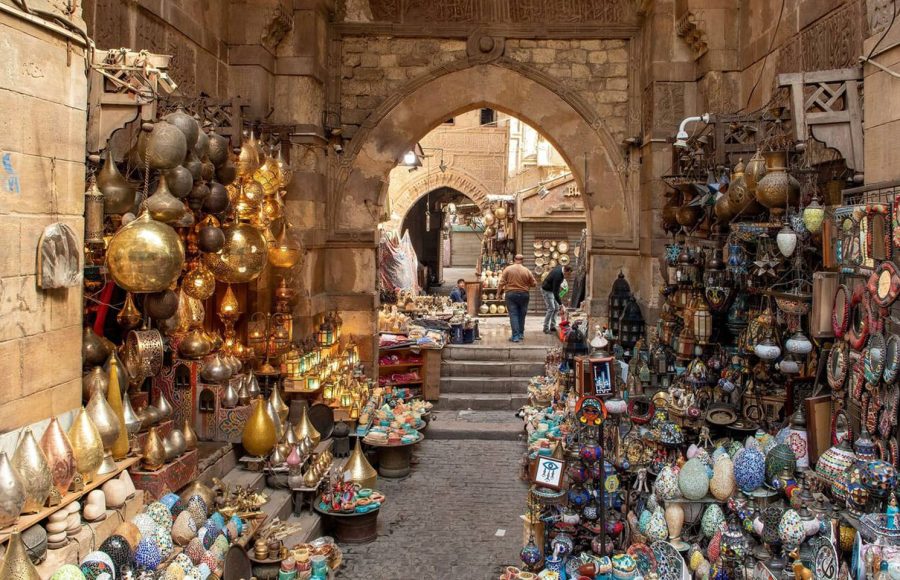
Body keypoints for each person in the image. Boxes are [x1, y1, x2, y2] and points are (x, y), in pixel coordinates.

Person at [498, 254, 537, 342]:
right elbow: (534, 284)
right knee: (522, 315)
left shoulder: (508, 269)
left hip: (511, 295)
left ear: (514, 259)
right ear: (522, 260)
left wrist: (498, 294)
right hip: (524, 295)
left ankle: (515, 336)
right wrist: (526, 284)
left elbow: (501, 283)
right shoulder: (527, 271)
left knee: (513, 315)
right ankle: (521, 334)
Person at [541, 264, 572, 333]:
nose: (568, 276)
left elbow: (556, 290)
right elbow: (555, 292)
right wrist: (561, 304)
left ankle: (552, 326)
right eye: (568, 274)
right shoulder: (558, 276)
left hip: (551, 290)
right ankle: (545, 328)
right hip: (547, 290)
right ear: (565, 271)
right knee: (551, 308)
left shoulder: (561, 267)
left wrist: (560, 304)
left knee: (556, 307)